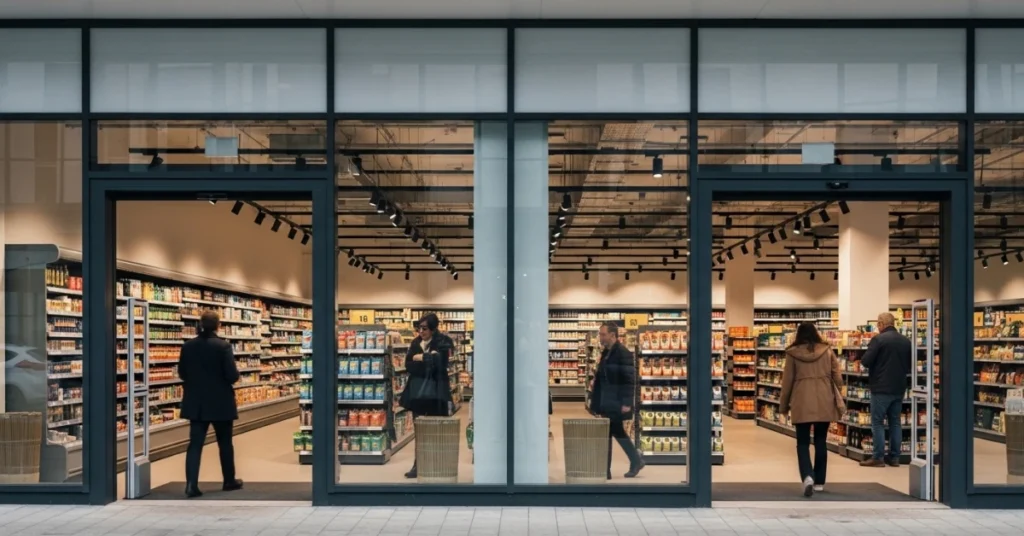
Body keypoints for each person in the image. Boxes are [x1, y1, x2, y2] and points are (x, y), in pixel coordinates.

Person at [178, 311, 244, 498]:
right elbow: (231, 375)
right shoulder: (223, 346)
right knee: (225, 442)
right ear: (218, 325)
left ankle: (191, 485)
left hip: (196, 402)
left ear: (200, 325)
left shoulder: (188, 346)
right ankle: (229, 480)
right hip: (220, 402)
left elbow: (182, 373)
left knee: (195, 444)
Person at [779, 322, 844, 497]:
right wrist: (838, 388)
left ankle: (807, 476)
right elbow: (837, 376)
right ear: (816, 333)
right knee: (821, 441)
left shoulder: (793, 354)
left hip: (802, 400)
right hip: (824, 398)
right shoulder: (827, 350)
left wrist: (783, 405)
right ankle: (820, 481)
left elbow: (787, 382)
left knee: (802, 442)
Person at [398, 313, 454, 479]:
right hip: (417, 394)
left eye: (424, 329)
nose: (421, 332)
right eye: (419, 328)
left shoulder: (443, 342)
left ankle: (437, 464)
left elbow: (441, 364)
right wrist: (428, 360)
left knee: (437, 430)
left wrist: (420, 358)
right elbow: (409, 365)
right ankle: (418, 464)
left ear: (433, 328)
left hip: (436, 393)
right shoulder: (416, 342)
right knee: (420, 431)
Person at [591, 322, 644, 479]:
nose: (600, 337)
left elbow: (629, 380)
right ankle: (631, 462)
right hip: (607, 400)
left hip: (616, 401)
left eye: (603, 334)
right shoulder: (607, 352)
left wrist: (627, 403)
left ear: (613, 335)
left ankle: (629, 463)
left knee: (614, 432)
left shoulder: (623, 353)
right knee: (613, 432)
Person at [859, 312, 912, 468]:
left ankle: (878, 457)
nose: (877, 326)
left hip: (881, 387)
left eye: (878, 324)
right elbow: (909, 364)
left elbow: (866, 361)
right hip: (899, 387)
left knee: (877, 422)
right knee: (895, 422)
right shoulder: (906, 341)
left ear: (882, 324)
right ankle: (895, 458)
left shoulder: (878, 340)